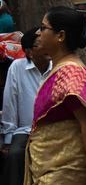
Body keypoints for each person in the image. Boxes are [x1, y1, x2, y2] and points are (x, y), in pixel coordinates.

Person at [24, 6, 86, 184]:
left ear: (61, 36)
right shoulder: (60, 67)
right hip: (51, 166)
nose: (38, 32)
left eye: (43, 28)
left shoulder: (71, 73)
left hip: (65, 171)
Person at [1, 27, 52, 185]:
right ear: (30, 52)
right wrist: (8, 138)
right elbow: (10, 102)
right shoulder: (17, 67)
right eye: (40, 44)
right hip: (26, 131)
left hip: (54, 129)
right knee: (15, 154)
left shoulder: (58, 66)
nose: (47, 47)